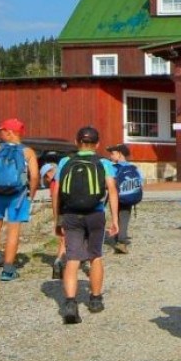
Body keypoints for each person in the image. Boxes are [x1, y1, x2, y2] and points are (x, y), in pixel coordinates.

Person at [52, 126, 118, 324]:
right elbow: (112, 190)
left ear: (76, 142)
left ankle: (71, 303)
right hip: (95, 214)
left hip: (71, 214)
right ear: (97, 144)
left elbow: (56, 193)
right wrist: (115, 219)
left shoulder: (65, 162)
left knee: (72, 258)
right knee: (95, 255)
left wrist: (57, 219)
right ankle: (95, 299)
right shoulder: (103, 162)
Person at [0, 117, 39, 282]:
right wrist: (32, 193)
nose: (1, 135)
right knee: (13, 230)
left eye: (2, 132)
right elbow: (34, 176)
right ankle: (8, 269)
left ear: (10, 133)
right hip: (18, 195)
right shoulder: (28, 152)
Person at [107, 144, 144, 254]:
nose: (110, 156)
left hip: (116, 197)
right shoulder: (134, 167)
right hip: (129, 197)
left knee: (116, 216)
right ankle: (121, 241)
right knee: (124, 218)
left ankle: (119, 239)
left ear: (120, 154)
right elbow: (141, 182)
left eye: (112, 153)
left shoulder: (113, 168)